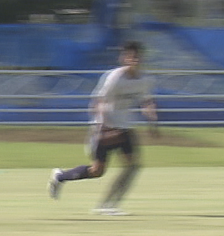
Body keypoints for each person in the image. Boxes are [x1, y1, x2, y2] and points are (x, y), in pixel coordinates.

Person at [48, 41, 158, 215]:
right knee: (97, 171)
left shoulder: (144, 79)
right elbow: (98, 101)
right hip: (104, 127)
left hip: (124, 128)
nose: (134, 59)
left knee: (133, 166)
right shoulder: (115, 78)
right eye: (130, 56)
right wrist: (103, 126)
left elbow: (146, 100)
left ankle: (108, 205)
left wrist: (152, 119)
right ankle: (60, 176)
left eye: (137, 56)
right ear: (123, 58)